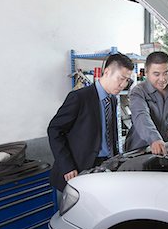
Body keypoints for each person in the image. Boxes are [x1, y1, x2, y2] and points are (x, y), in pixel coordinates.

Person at [48, 53, 134, 191]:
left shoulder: (112, 100)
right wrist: (67, 166)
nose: (123, 85)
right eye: (121, 79)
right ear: (107, 72)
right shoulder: (79, 97)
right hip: (77, 169)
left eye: (127, 81)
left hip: (104, 167)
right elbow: (54, 130)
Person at [125, 51, 168, 155]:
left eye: (166, 73)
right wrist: (154, 139)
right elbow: (141, 116)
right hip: (139, 151)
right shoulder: (138, 91)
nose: (162, 79)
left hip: (166, 149)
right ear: (146, 73)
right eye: (156, 74)